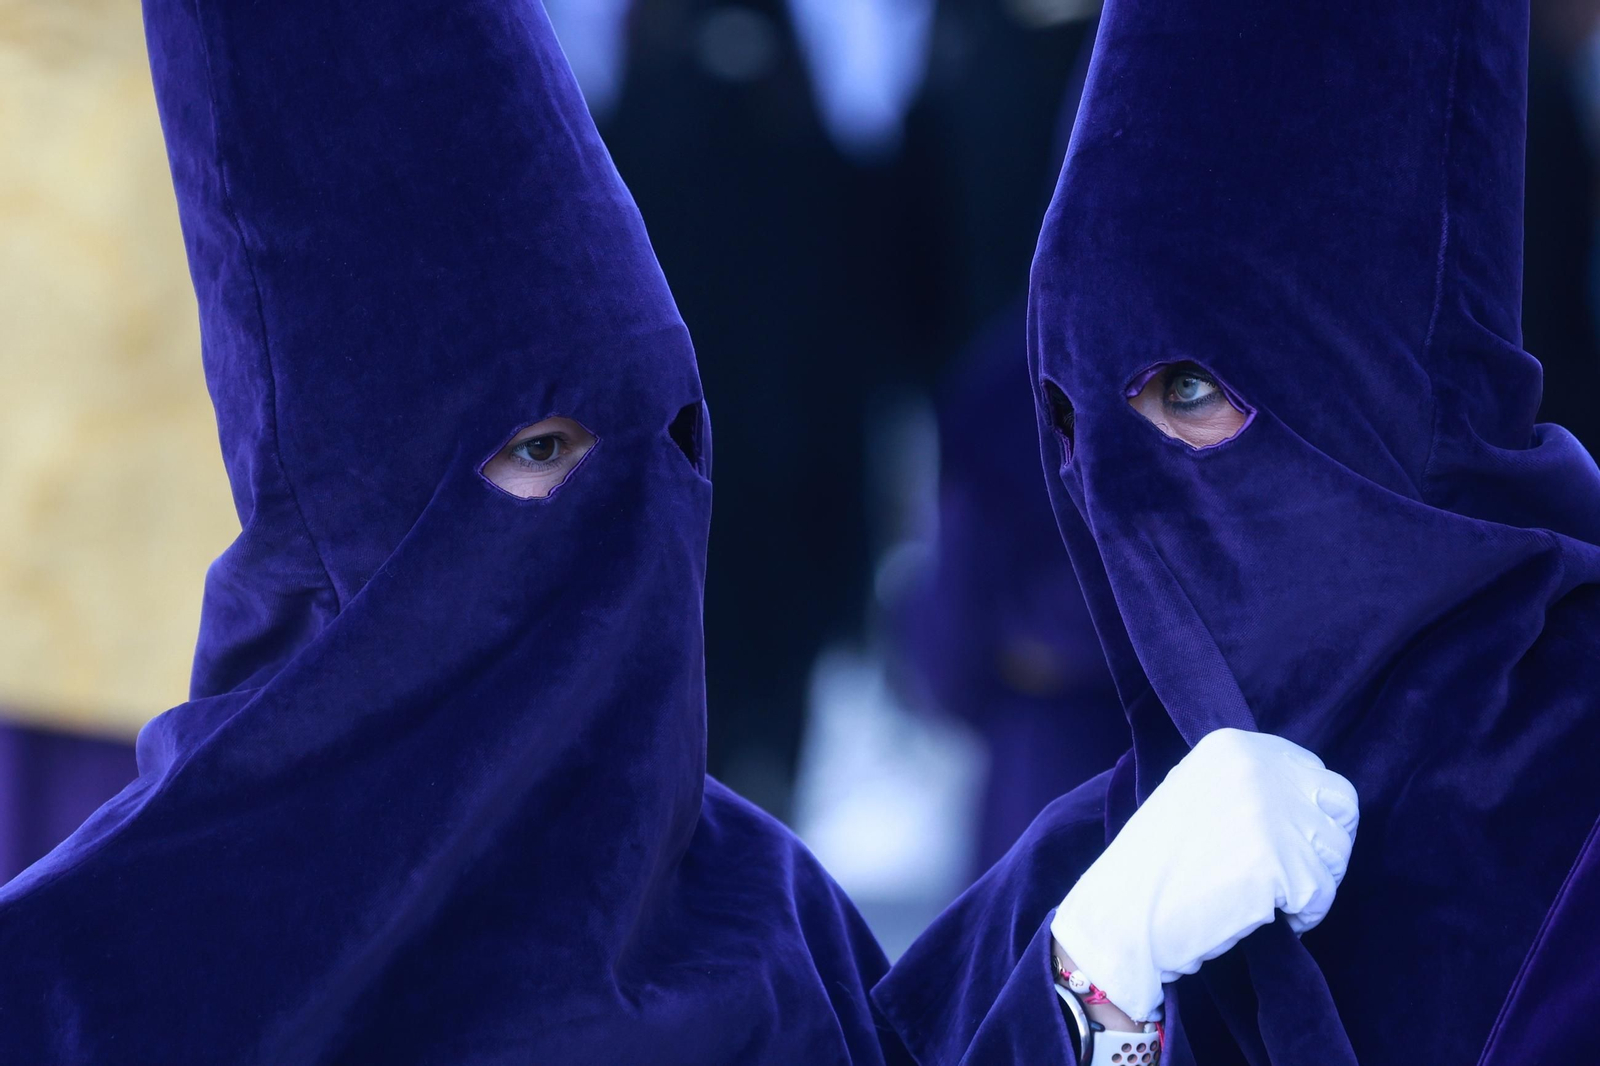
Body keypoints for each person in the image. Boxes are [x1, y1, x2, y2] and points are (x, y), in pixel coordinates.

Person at [0, 0, 1357, 1062]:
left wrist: (1093, 985)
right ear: (363, 500)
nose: (632, 513)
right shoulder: (101, 975)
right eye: (541, 452)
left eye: (671, 442)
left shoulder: (756, 903)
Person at [874, 0, 1600, 1061]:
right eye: (1072, 417)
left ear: (1377, 375)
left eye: (1188, 388)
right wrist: (1093, 999)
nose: (1118, 489)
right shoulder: (1080, 877)